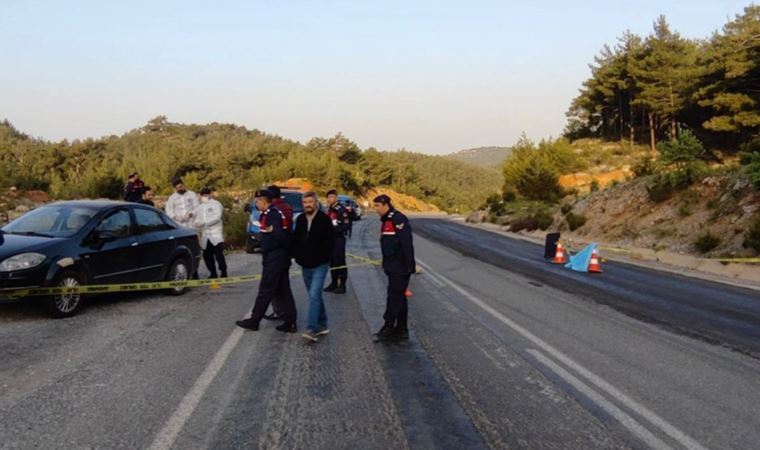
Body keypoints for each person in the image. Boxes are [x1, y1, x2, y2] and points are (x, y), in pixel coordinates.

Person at [236, 189, 297, 333]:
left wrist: (275, 251)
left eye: (258, 201)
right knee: (282, 291)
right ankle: (290, 321)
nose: (257, 204)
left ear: (263, 201)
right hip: (277, 257)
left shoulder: (272, 215)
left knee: (266, 290)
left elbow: (280, 237)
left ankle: (254, 320)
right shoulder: (270, 214)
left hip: (275, 259)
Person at [293, 192, 335, 342]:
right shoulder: (300, 220)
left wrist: (326, 258)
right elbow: (295, 239)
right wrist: (296, 256)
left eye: (310, 202)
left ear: (316, 202)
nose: (307, 205)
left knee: (313, 295)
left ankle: (311, 329)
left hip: (320, 265)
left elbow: (331, 242)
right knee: (314, 295)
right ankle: (322, 324)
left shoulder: (324, 220)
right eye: (305, 202)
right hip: (305, 265)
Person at [373, 194, 415, 342]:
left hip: (400, 267)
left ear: (386, 205)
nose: (376, 209)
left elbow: (406, 243)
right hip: (392, 266)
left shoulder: (397, 219)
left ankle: (388, 326)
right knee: (400, 298)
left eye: (378, 206)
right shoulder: (386, 221)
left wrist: (410, 266)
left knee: (394, 298)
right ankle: (402, 329)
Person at [262, 185, 293, 321]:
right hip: (286, 248)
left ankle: (279, 312)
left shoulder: (273, 211)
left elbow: (276, 233)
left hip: (275, 251)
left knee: (274, 286)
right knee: (283, 285)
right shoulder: (287, 207)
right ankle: (287, 315)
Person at [195, 187, 228, 279]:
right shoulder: (200, 207)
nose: (204, 197)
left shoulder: (216, 204)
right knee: (207, 255)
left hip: (216, 234)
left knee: (218, 255)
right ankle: (212, 272)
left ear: (210, 194)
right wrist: (198, 224)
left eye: (206, 195)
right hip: (205, 235)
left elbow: (217, 217)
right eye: (202, 195)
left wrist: (206, 223)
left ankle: (223, 271)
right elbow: (197, 219)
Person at [323, 189, 350, 294]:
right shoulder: (328, 209)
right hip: (329, 240)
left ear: (336, 198)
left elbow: (346, 226)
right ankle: (334, 282)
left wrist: (333, 230)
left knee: (340, 262)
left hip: (338, 239)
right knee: (332, 262)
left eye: (332, 197)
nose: (330, 199)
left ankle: (342, 285)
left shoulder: (341, 210)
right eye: (328, 197)